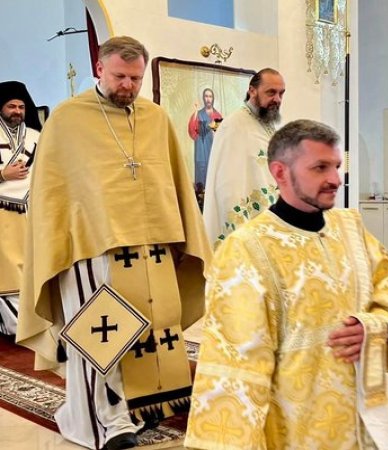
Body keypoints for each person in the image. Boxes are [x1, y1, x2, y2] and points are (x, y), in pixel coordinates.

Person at [16, 36, 212, 450]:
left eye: (136, 78)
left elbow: (172, 182)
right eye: (120, 76)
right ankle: (106, 421)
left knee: (155, 332)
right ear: (100, 69)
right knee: (103, 335)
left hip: (152, 248)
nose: (128, 86)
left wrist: (182, 238)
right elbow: (54, 195)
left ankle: (143, 405)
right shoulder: (67, 119)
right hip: (93, 250)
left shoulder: (156, 117)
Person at [185, 119, 388, 450]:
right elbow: (236, 369)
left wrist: (376, 326)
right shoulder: (246, 249)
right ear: (280, 172)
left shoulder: (350, 229)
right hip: (294, 431)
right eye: (320, 167)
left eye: (337, 166)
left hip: (357, 424)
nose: (335, 179)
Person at [202, 68, 285, 247]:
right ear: (252, 91)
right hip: (247, 227)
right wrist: (240, 231)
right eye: (271, 92)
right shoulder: (234, 126)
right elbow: (226, 186)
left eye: (281, 93)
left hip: (270, 222)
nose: (277, 99)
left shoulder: (267, 126)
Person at [0, 80, 41, 336]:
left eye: (21, 107)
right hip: (2, 216)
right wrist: (3, 174)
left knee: (31, 269)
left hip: (32, 213)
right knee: (7, 272)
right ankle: (14, 326)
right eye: (11, 106)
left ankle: (32, 323)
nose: (17, 111)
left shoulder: (37, 137)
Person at [187, 87, 222, 190]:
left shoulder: (217, 115)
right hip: (200, 150)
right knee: (200, 170)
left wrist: (213, 129)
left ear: (213, 98)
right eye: (206, 96)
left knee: (212, 170)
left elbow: (220, 134)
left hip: (211, 148)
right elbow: (192, 130)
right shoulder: (198, 114)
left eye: (210, 96)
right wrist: (195, 113)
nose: (208, 99)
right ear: (203, 98)